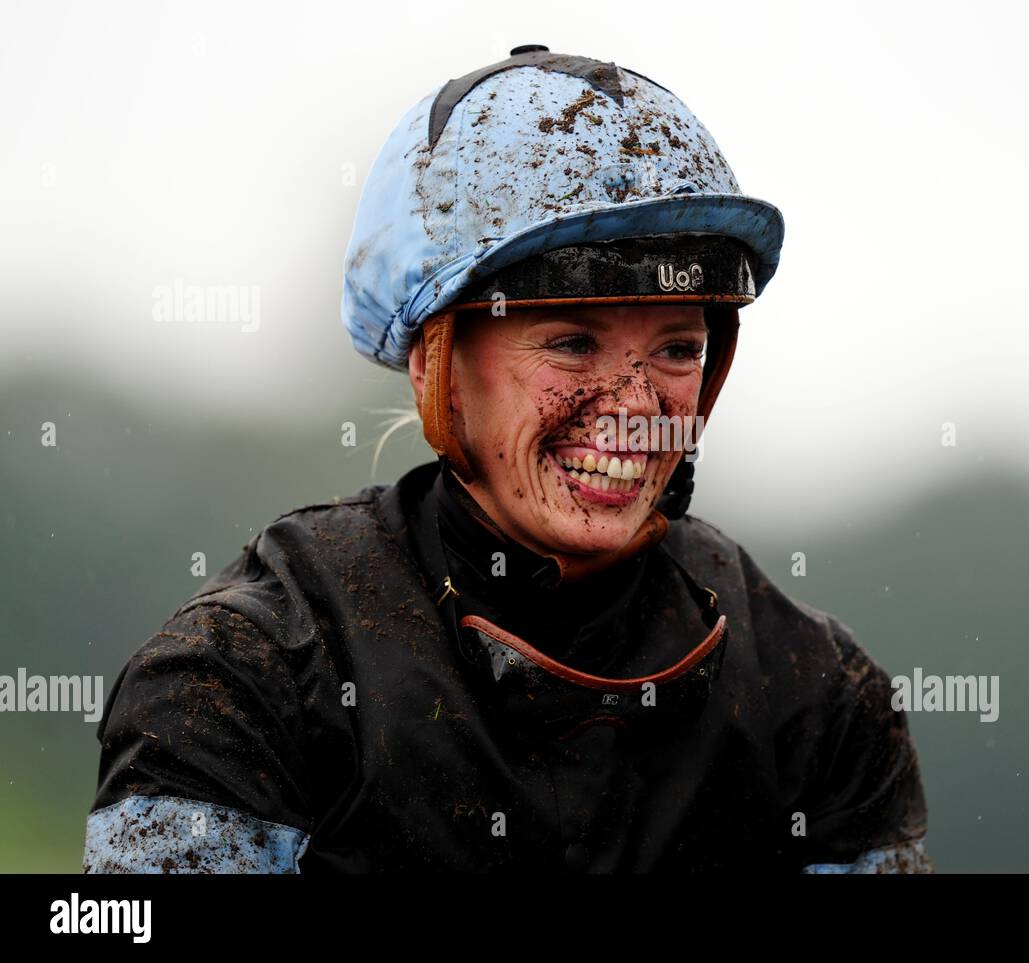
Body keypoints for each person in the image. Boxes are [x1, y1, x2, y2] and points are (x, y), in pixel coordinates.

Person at [83, 45, 934, 873]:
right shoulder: (242, 677)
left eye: (677, 348)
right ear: (436, 366)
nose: (637, 409)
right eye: (572, 343)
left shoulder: (819, 694)